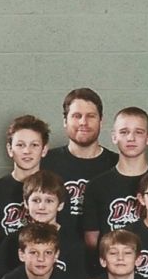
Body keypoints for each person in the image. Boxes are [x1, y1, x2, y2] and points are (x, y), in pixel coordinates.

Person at [80, 107, 148, 248]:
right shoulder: (97, 186)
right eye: (124, 132)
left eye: (138, 132)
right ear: (114, 137)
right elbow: (92, 239)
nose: (131, 138)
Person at [41, 88, 119, 216]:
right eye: (77, 116)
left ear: (101, 121)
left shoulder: (117, 164)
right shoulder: (45, 163)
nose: (83, 122)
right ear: (65, 121)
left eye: (91, 116)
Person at [0, 114, 50, 237]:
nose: (27, 151)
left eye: (34, 145)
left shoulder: (55, 189)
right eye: (20, 145)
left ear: (44, 150)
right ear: (10, 149)